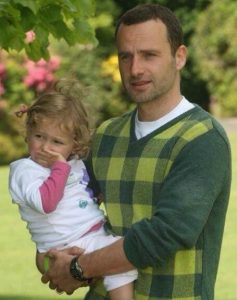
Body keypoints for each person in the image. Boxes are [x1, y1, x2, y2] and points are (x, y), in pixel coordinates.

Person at [39, 4, 232, 300]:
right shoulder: (106, 135)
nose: (135, 69)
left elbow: (165, 234)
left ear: (179, 57)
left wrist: (78, 268)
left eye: (149, 55)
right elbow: (64, 200)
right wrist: (51, 255)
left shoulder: (202, 139)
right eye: (125, 56)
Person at [8, 79, 138, 300]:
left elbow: (82, 192)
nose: (46, 147)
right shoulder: (25, 170)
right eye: (39, 136)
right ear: (28, 133)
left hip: (86, 234)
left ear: (74, 145)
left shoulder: (73, 164)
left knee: (120, 260)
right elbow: (46, 203)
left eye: (57, 142)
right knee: (122, 259)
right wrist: (59, 167)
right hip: (69, 244)